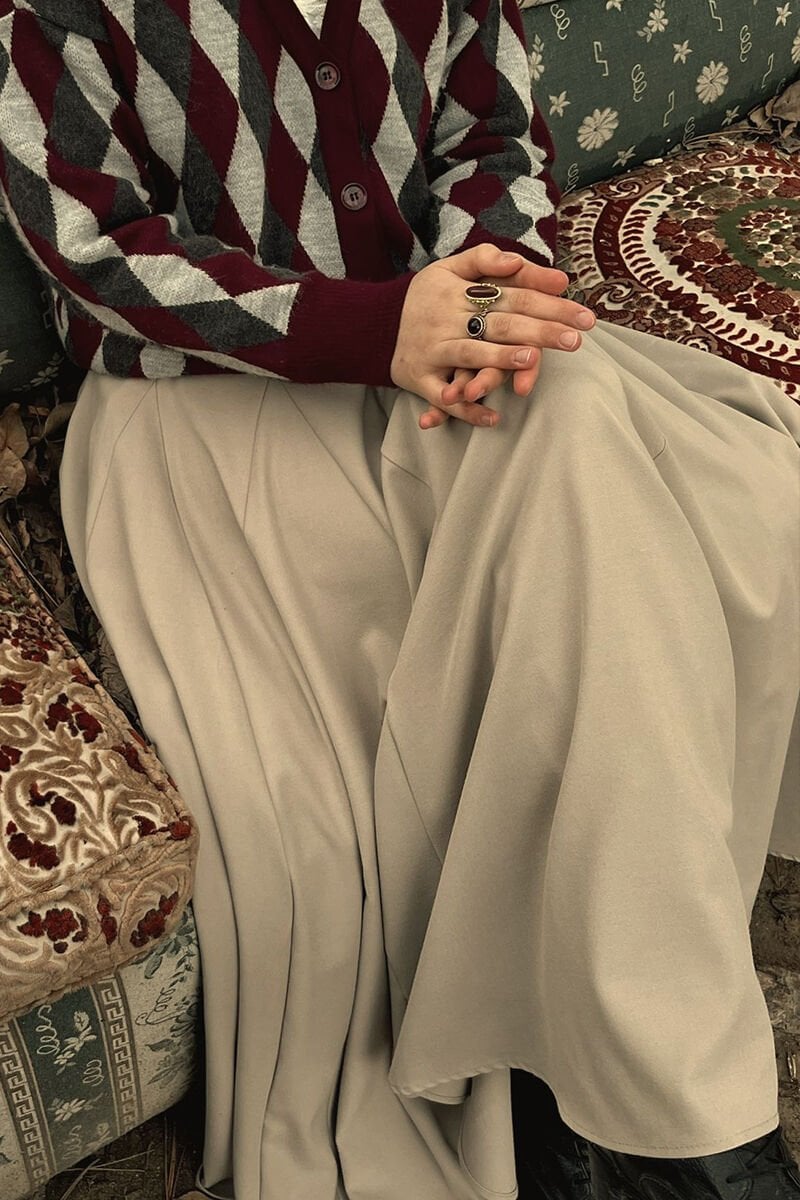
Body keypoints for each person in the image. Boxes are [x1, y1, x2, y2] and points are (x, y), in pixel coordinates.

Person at [0, 1, 798, 1197]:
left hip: (450, 353)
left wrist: (480, 305)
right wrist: (377, 326)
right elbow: (92, 252)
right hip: (212, 404)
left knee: (643, 474)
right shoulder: (51, 16)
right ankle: (664, 1127)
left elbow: (491, 140)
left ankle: (633, 1108)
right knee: (391, 759)